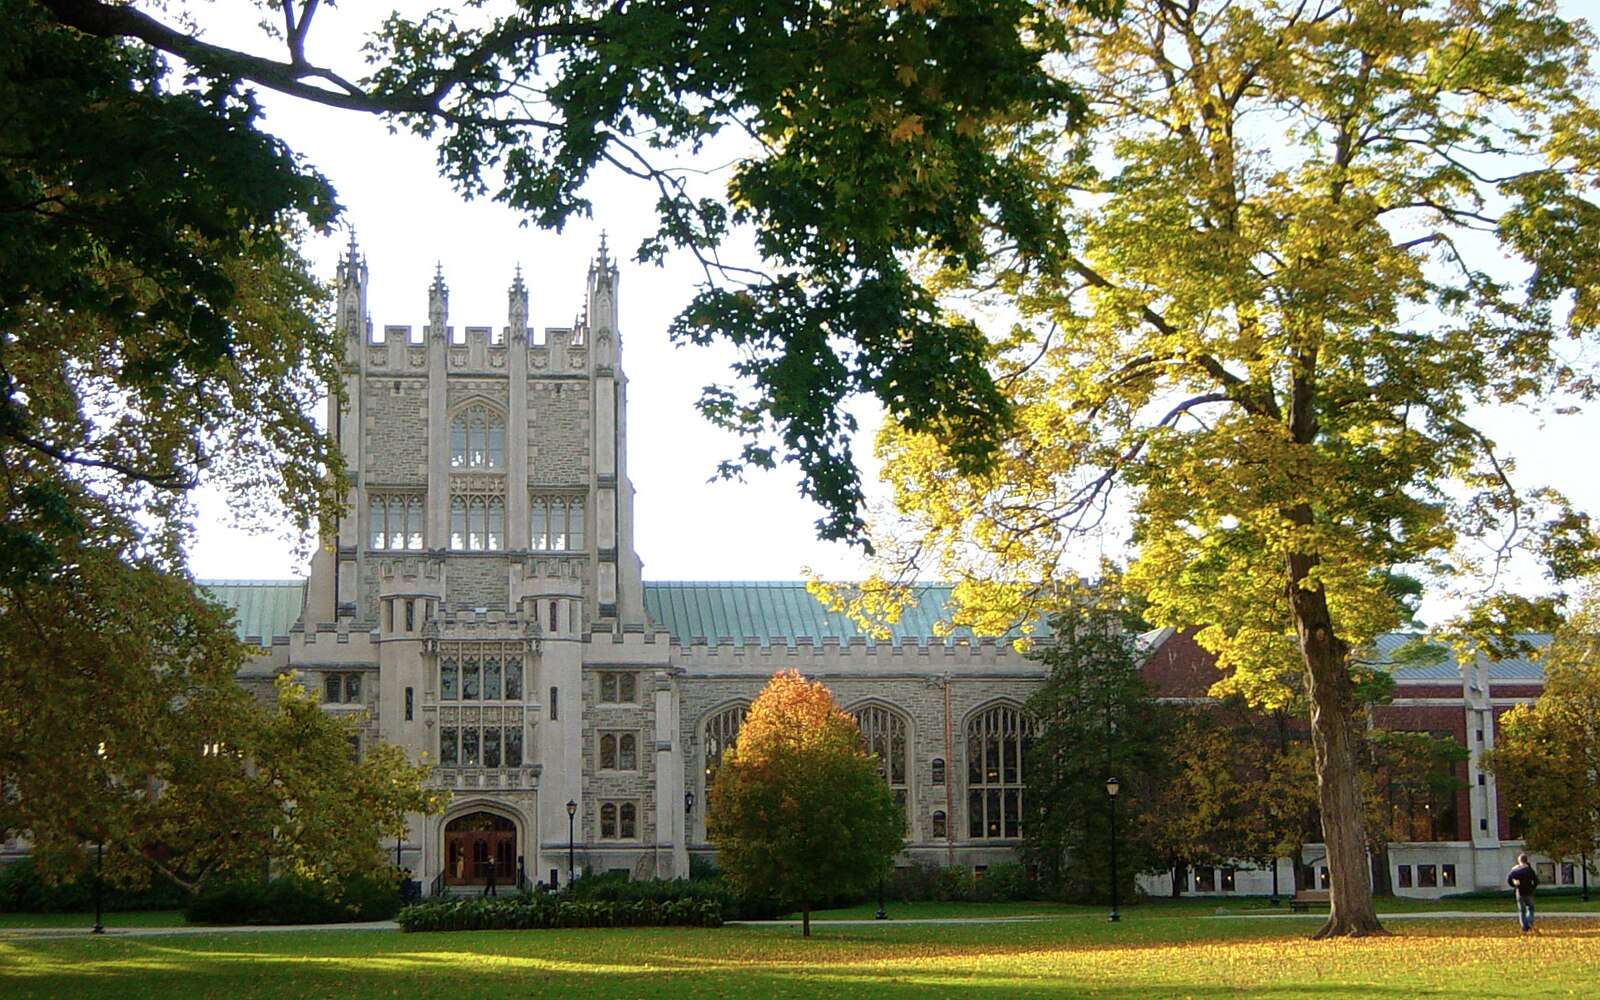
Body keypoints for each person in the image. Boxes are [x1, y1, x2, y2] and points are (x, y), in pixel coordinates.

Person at [1507, 854, 1539, 932]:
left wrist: (1514, 885)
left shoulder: (1516, 870)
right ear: (1526, 860)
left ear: (1519, 861)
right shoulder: (1530, 870)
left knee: (1522, 910)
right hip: (1529, 892)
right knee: (1530, 908)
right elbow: (1536, 881)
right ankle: (1529, 922)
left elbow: (1509, 879)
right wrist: (1533, 887)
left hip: (1520, 892)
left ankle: (1525, 926)